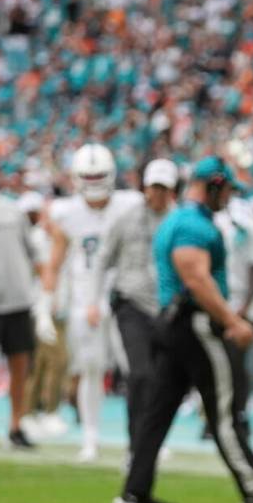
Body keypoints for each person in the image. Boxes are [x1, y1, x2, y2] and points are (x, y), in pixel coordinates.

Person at [116, 157, 253, 503]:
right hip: (195, 324)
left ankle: (135, 492)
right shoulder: (193, 225)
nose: (229, 197)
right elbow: (195, 277)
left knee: (158, 412)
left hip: (172, 324)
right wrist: (232, 322)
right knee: (224, 412)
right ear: (214, 185)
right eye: (227, 189)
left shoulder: (178, 219)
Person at [42, 143, 143, 462]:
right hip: (85, 300)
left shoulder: (131, 205)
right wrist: (45, 306)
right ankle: (91, 437)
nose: (95, 181)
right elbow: (54, 262)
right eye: (90, 175)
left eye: (100, 174)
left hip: (126, 296)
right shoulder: (65, 213)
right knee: (90, 369)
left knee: (136, 370)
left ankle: (141, 439)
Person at [93, 158, 178, 462]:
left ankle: (149, 443)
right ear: (145, 187)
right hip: (130, 303)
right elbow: (103, 258)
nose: (157, 193)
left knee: (160, 380)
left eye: (163, 188)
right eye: (154, 186)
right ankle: (136, 446)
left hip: (166, 308)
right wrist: (94, 300)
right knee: (140, 374)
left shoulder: (177, 221)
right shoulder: (126, 218)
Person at [0, 183, 43, 448]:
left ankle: (15, 425)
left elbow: (34, 254)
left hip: (17, 302)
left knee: (20, 366)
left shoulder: (13, 212)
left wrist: (45, 293)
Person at [19, 191, 70, 439]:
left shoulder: (64, 240)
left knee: (48, 362)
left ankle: (35, 413)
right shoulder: (36, 239)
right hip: (38, 308)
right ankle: (38, 413)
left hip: (59, 309)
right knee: (43, 363)